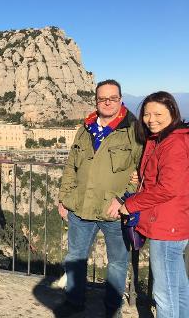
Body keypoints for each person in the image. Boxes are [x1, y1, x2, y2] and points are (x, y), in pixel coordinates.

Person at [54, 79, 143, 318]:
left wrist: (124, 200)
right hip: (80, 207)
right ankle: (74, 302)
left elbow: (142, 171)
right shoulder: (85, 128)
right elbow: (71, 165)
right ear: (96, 100)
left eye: (112, 98)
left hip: (115, 211)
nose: (107, 102)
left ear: (120, 99)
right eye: (102, 98)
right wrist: (64, 198)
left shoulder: (133, 130)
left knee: (117, 262)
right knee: (75, 257)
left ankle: (112, 308)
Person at [120, 92, 189, 318]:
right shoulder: (161, 139)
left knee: (163, 292)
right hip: (174, 222)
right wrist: (140, 179)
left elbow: (168, 188)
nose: (151, 119)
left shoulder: (174, 143)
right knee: (178, 285)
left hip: (167, 225)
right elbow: (164, 177)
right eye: (147, 114)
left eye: (158, 114)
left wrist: (130, 204)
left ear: (173, 113)